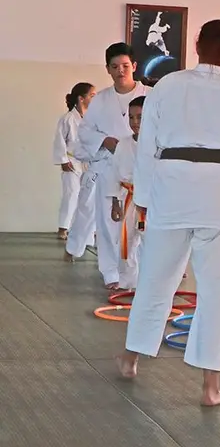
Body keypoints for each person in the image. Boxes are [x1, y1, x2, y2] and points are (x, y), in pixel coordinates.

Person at [116, 20, 220, 407]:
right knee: (216, 293)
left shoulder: (166, 87)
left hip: (172, 191)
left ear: (197, 46)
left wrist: (146, 202)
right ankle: (210, 387)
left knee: (155, 280)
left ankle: (130, 358)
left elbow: (147, 148)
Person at [67, 43, 147, 284]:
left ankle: (142, 275)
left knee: (144, 230)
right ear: (108, 70)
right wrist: (105, 140)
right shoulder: (100, 99)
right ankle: (111, 274)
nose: (120, 71)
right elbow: (85, 131)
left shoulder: (152, 95)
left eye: (125, 66)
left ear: (133, 66)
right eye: (114, 67)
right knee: (108, 225)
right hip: (110, 168)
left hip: (144, 173)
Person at [100, 96, 146, 290]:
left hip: (153, 201)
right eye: (131, 117)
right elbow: (114, 174)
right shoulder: (123, 144)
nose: (134, 122)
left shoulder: (158, 143)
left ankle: (149, 284)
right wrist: (115, 202)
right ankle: (127, 281)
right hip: (129, 197)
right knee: (126, 241)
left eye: (140, 117)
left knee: (152, 243)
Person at [53, 82, 95, 240]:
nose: (94, 99)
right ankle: (63, 227)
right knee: (71, 194)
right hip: (71, 162)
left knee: (88, 196)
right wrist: (63, 160)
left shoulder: (91, 119)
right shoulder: (68, 118)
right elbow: (59, 140)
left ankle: (85, 230)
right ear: (81, 98)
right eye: (92, 95)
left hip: (87, 162)